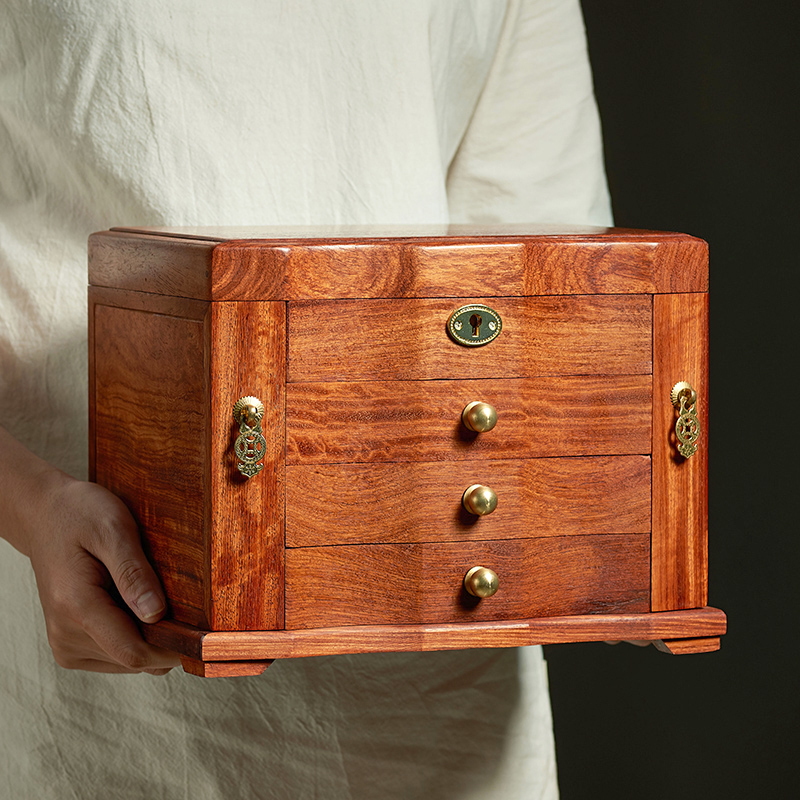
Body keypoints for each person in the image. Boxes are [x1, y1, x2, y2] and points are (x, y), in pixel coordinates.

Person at [0, 0, 611, 796]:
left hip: (434, 706)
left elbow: (546, 280)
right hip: (111, 680)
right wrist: (29, 507)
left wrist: (597, 536)